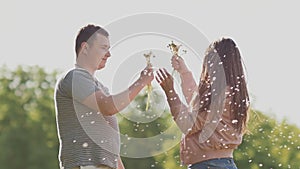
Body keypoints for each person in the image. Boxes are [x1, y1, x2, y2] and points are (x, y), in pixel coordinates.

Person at [54, 24, 154, 169]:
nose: (109, 54)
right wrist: (141, 82)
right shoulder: (75, 77)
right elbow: (108, 106)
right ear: (86, 48)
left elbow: (108, 140)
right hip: (85, 164)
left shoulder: (100, 87)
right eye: (103, 48)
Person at [156, 37, 250, 169]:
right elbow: (198, 107)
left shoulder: (219, 93)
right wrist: (184, 72)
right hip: (224, 163)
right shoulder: (233, 93)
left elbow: (188, 124)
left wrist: (170, 92)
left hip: (208, 165)